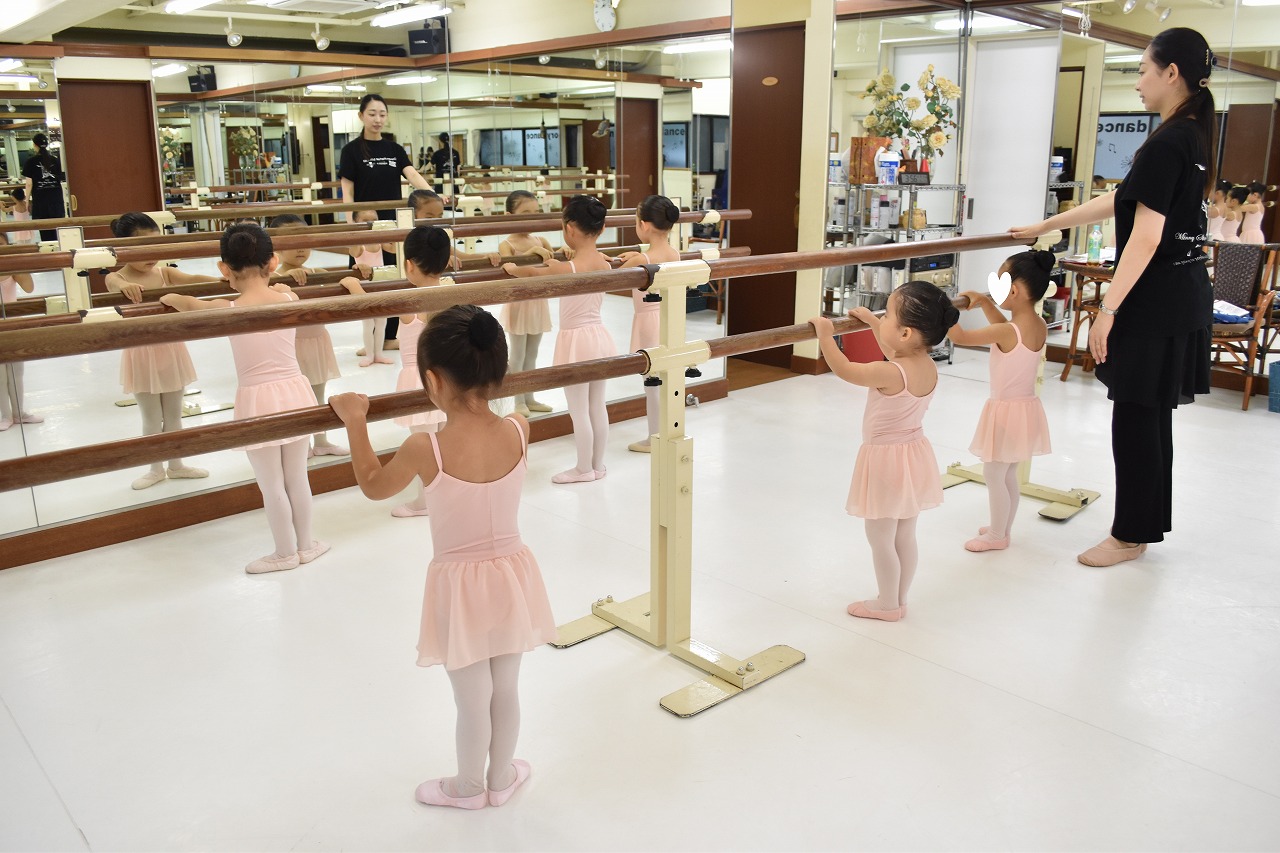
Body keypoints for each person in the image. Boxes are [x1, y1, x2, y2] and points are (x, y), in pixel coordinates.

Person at [329, 305, 556, 810]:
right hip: (512, 574)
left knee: (471, 698)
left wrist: (356, 421)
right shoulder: (519, 427)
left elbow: (373, 485)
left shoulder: (425, 446)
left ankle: (468, 788)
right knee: (506, 688)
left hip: (460, 586)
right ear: (498, 372)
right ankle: (501, 778)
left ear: (431, 380)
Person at [1011, 27, 1215, 568]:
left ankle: (1129, 535)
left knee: (1136, 420)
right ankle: (1142, 529)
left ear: (1172, 73)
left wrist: (1107, 311)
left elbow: (1145, 236)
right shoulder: (1191, 134)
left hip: (1156, 303)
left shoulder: (1170, 140)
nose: (1139, 83)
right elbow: (1123, 199)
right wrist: (1047, 224)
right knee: (1151, 418)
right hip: (1182, 295)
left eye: (1144, 71)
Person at [160, 223, 327, 575]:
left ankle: (284, 553)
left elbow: (189, 305)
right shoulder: (288, 298)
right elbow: (284, 291)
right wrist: (281, 286)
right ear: (273, 262)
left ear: (224, 268)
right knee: (297, 477)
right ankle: (306, 545)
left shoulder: (229, 307)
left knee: (271, 483)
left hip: (257, 400)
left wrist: (171, 298)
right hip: (295, 391)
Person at [809, 282, 956, 622]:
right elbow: (895, 350)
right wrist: (875, 322)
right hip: (914, 455)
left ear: (905, 333)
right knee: (905, 535)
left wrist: (826, 336)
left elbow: (845, 369)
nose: (882, 318)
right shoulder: (926, 364)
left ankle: (887, 606)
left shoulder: (887, 372)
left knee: (880, 538)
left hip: (886, 461)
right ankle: (899, 598)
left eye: (887, 314)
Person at [340, 225, 453, 518]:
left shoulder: (410, 302)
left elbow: (369, 306)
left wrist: (353, 284)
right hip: (447, 376)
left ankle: (425, 501)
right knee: (443, 440)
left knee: (426, 442)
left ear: (409, 264)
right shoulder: (450, 292)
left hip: (418, 378)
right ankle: (444, 493)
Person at [947, 251, 1055, 552]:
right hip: (1025, 409)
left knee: (994, 474)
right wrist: (984, 302)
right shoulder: (1037, 324)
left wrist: (946, 311)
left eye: (999, 282)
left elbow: (961, 337)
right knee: (1007, 474)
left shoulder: (1007, 331)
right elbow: (1003, 331)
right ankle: (1003, 528)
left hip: (1006, 411)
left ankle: (997, 536)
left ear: (1014, 290)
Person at [503, 196, 615, 484]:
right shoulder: (604, 263)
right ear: (602, 229)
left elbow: (530, 273)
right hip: (599, 336)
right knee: (597, 405)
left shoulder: (566, 268)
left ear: (569, 229)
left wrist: (513, 269)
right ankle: (598, 465)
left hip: (576, 341)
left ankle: (583, 469)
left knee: (579, 410)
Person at [105, 212, 212, 490]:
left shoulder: (165, 272)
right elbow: (114, 283)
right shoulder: (117, 276)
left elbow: (193, 278)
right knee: (151, 418)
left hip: (172, 349)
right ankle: (154, 469)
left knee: (174, 415)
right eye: (142, 248)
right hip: (141, 354)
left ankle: (176, 465)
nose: (151, 255)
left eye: (155, 246)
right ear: (123, 248)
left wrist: (226, 279)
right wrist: (125, 286)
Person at [269, 214, 348, 459]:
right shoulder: (273, 279)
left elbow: (343, 286)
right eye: (291, 242)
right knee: (293, 397)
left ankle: (321, 440)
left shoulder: (318, 272)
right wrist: (286, 281)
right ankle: (299, 443)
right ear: (275, 247)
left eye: (304, 241)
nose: (300, 248)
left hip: (317, 340)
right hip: (290, 346)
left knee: (318, 393)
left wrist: (359, 270)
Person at [614, 195, 682, 453]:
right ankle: (667, 431)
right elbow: (654, 259)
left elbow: (612, 278)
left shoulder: (641, 261)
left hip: (649, 322)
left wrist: (636, 257)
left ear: (643, 225)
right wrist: (638, 254)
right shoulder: (674, 253)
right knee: (668, 379)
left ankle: (655, 437)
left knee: (652, 383)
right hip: (670, 318)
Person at [497, 190, 555, 418]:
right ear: (509, 215)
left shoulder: (541, 240)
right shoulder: (506, 244)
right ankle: (517, 400)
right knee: (518, 355)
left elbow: (554, 261)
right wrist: (531, 253)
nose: (531, 217)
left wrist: (565, 251)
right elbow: (510, 268)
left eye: (535, 212)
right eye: (525, 212)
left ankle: (530, 397)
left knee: (533, 353)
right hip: (519, 303)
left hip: (537, 302)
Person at [348, 208, 397, 367]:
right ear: (356, 223)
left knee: (381, 323)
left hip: (380, 286)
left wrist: (390, 232)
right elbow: (353, 251)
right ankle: (369, 355)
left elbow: (395, 249)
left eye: (374, 220)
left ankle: (379, 354)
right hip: (364, 289)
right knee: (368, 324)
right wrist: (356, 233)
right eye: (365, 221)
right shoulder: (360, 245)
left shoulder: (380, 242)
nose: (370, 223)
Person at [0, 270, 40, 430]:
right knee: (1, 376)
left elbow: (29, 288)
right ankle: (5, 415)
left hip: (13, 325)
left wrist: (21, 266)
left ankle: (19, 413)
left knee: (17, 373)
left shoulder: (12, 269)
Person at [22, 133, 65, 242]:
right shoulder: (55, 160)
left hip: (41, 202)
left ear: (35, 145)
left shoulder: (31, 162)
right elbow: (60, 178)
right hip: (56, 201)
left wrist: (27, 200)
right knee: (57, 232)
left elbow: (29, 183)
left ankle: (48, 251)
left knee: (45, 232)